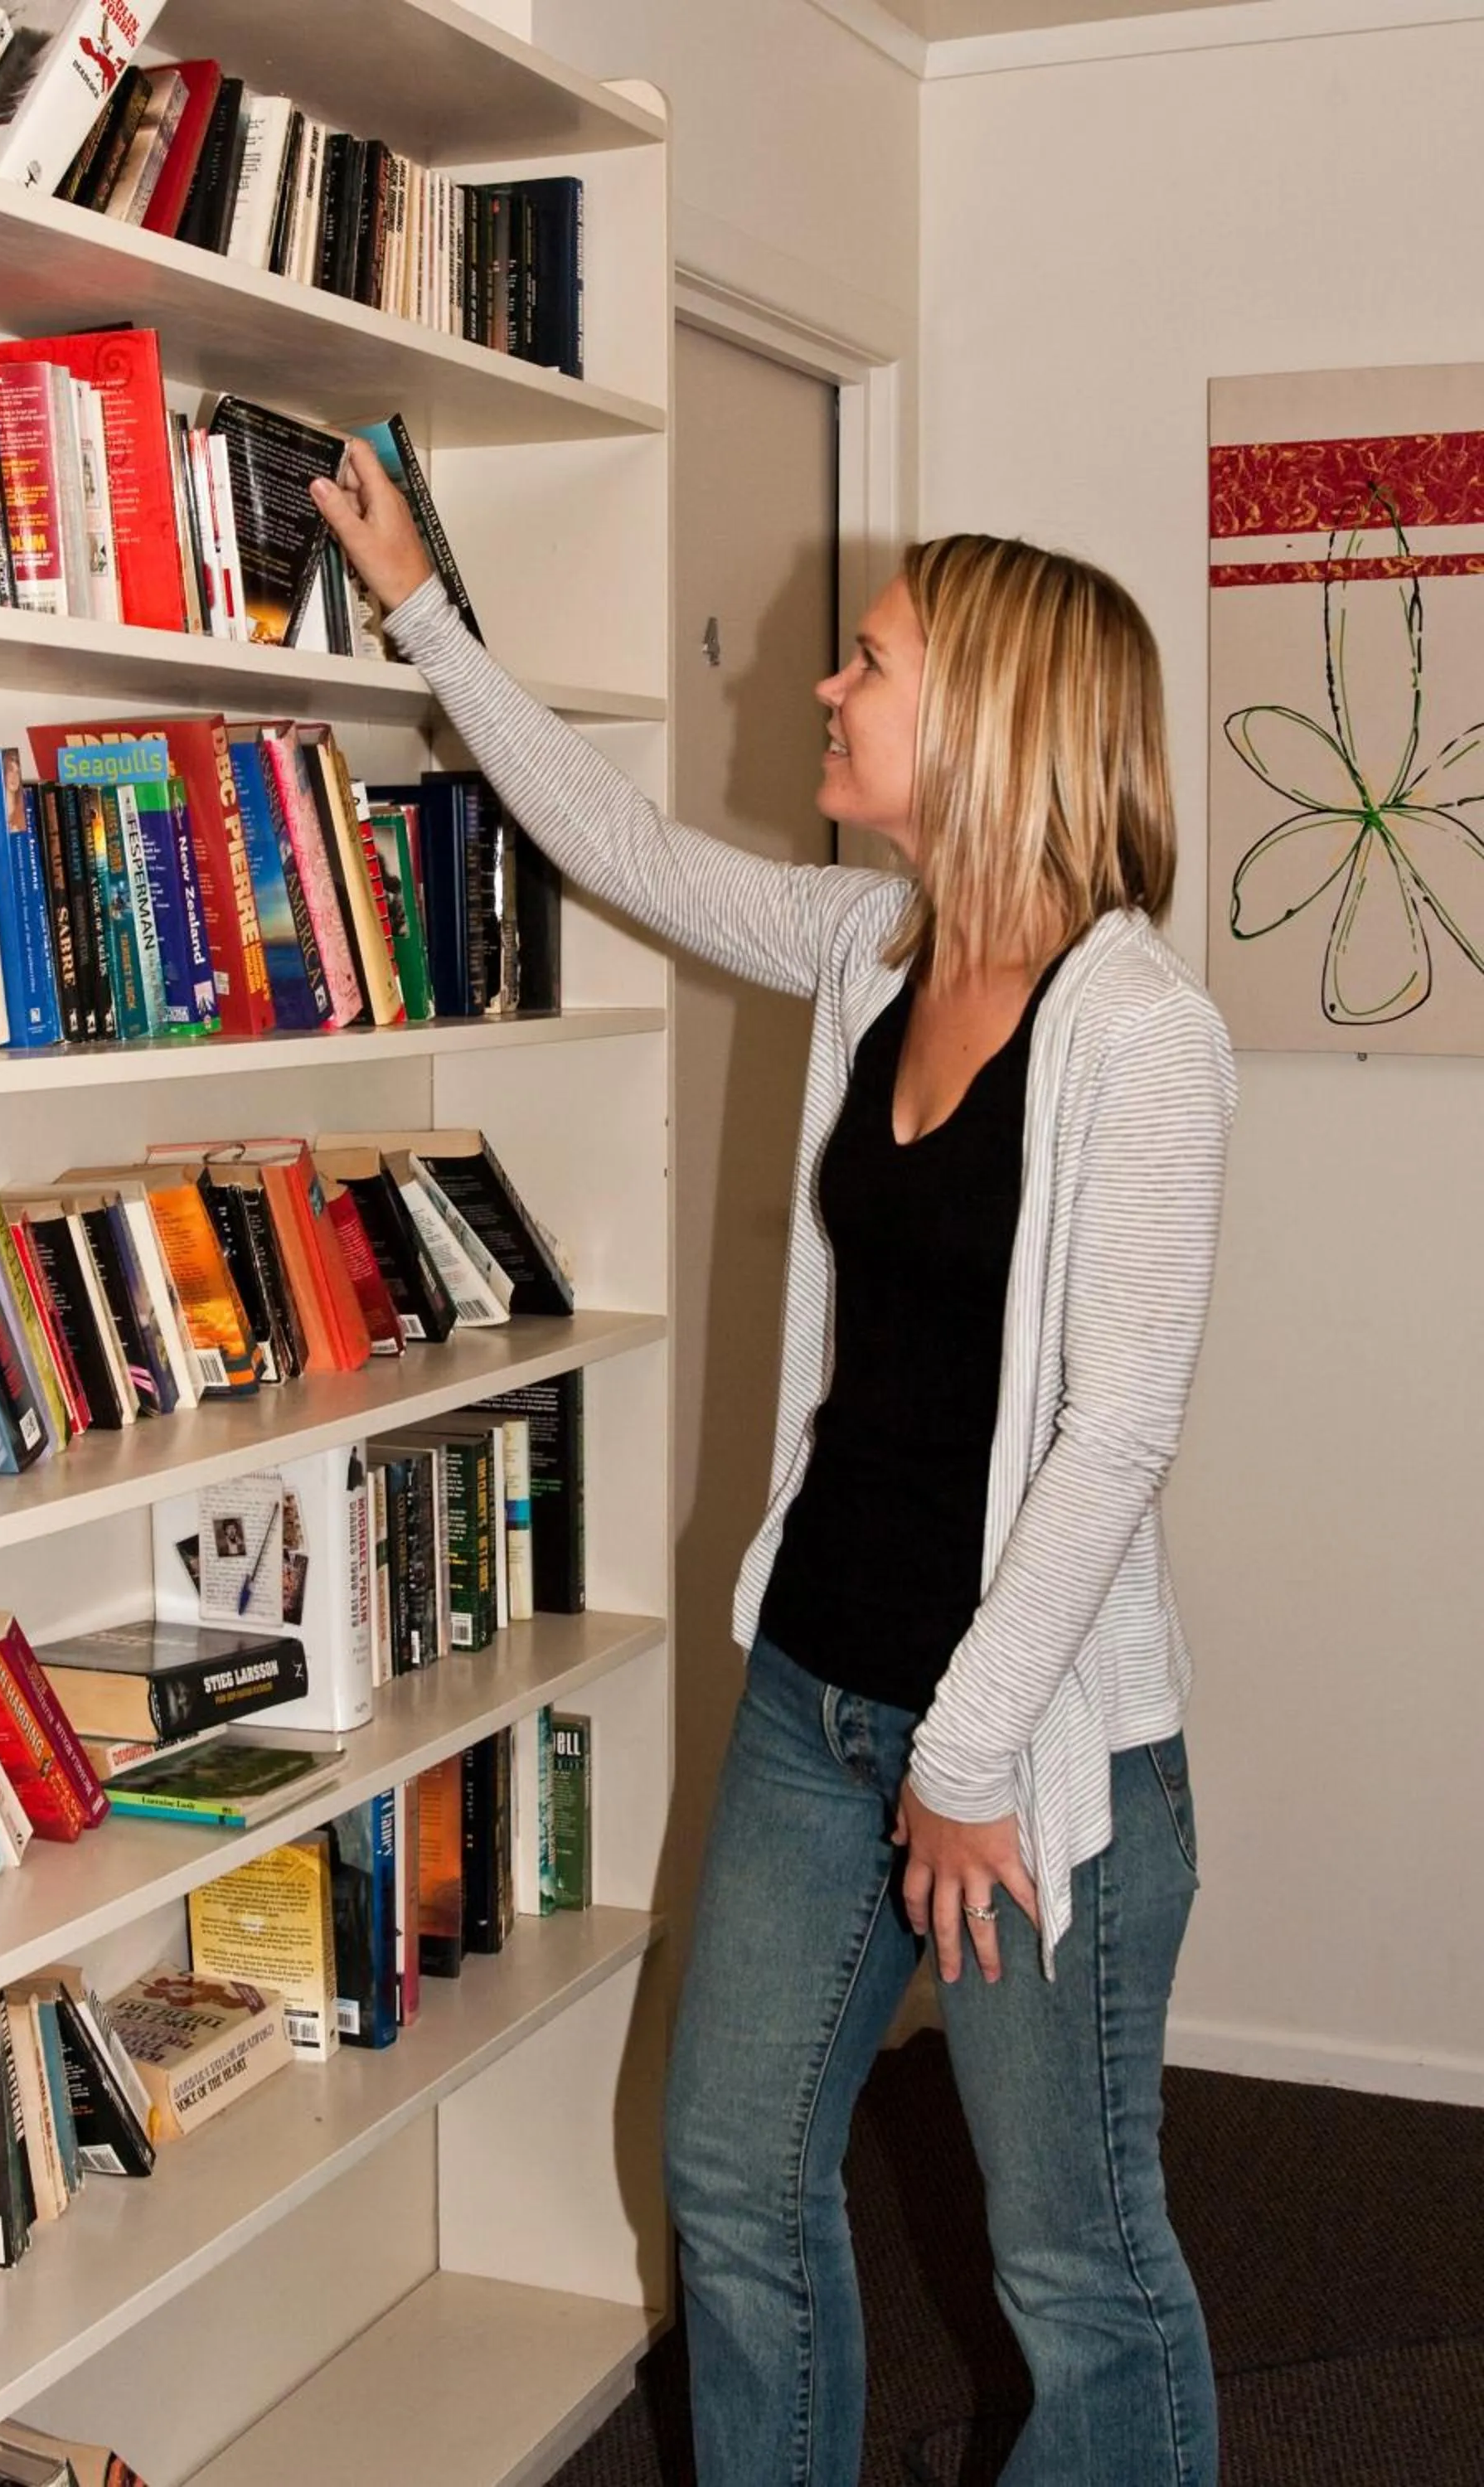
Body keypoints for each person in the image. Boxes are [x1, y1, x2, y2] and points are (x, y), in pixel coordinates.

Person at [313, 447, 1235, 2487]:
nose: (825, 692)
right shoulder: (864, 951)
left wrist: (969, 1758)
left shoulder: (1140, 1035)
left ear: (986, 720)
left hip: (1030, 1759)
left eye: (869, 665)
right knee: (730, 2187)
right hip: (819, 1705)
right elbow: (624, 847)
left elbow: (1118, 1432)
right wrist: (420, 617)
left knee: (1075, 2274)